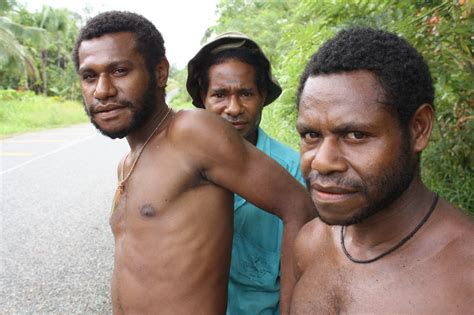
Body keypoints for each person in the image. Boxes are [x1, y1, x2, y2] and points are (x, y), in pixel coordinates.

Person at [73, 11, 315, 315]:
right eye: (89, 76)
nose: (103, 90)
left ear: (160, 72)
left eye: (120, 71)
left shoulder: (192, 132)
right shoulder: (127, 163)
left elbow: (299, 206)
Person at [291, 27, 474, 314]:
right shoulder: (310, 244)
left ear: (418, 129)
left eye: (356, 135)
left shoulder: (465, 278)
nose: (322, 162)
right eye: (311, 135)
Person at [186, 32, 305, 315]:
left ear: (263, 96)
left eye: (246, 93)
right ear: (203, 99)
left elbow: (303, 274)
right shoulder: (180, 170)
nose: (234, 108)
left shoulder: (293, 172)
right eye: (220, 95)